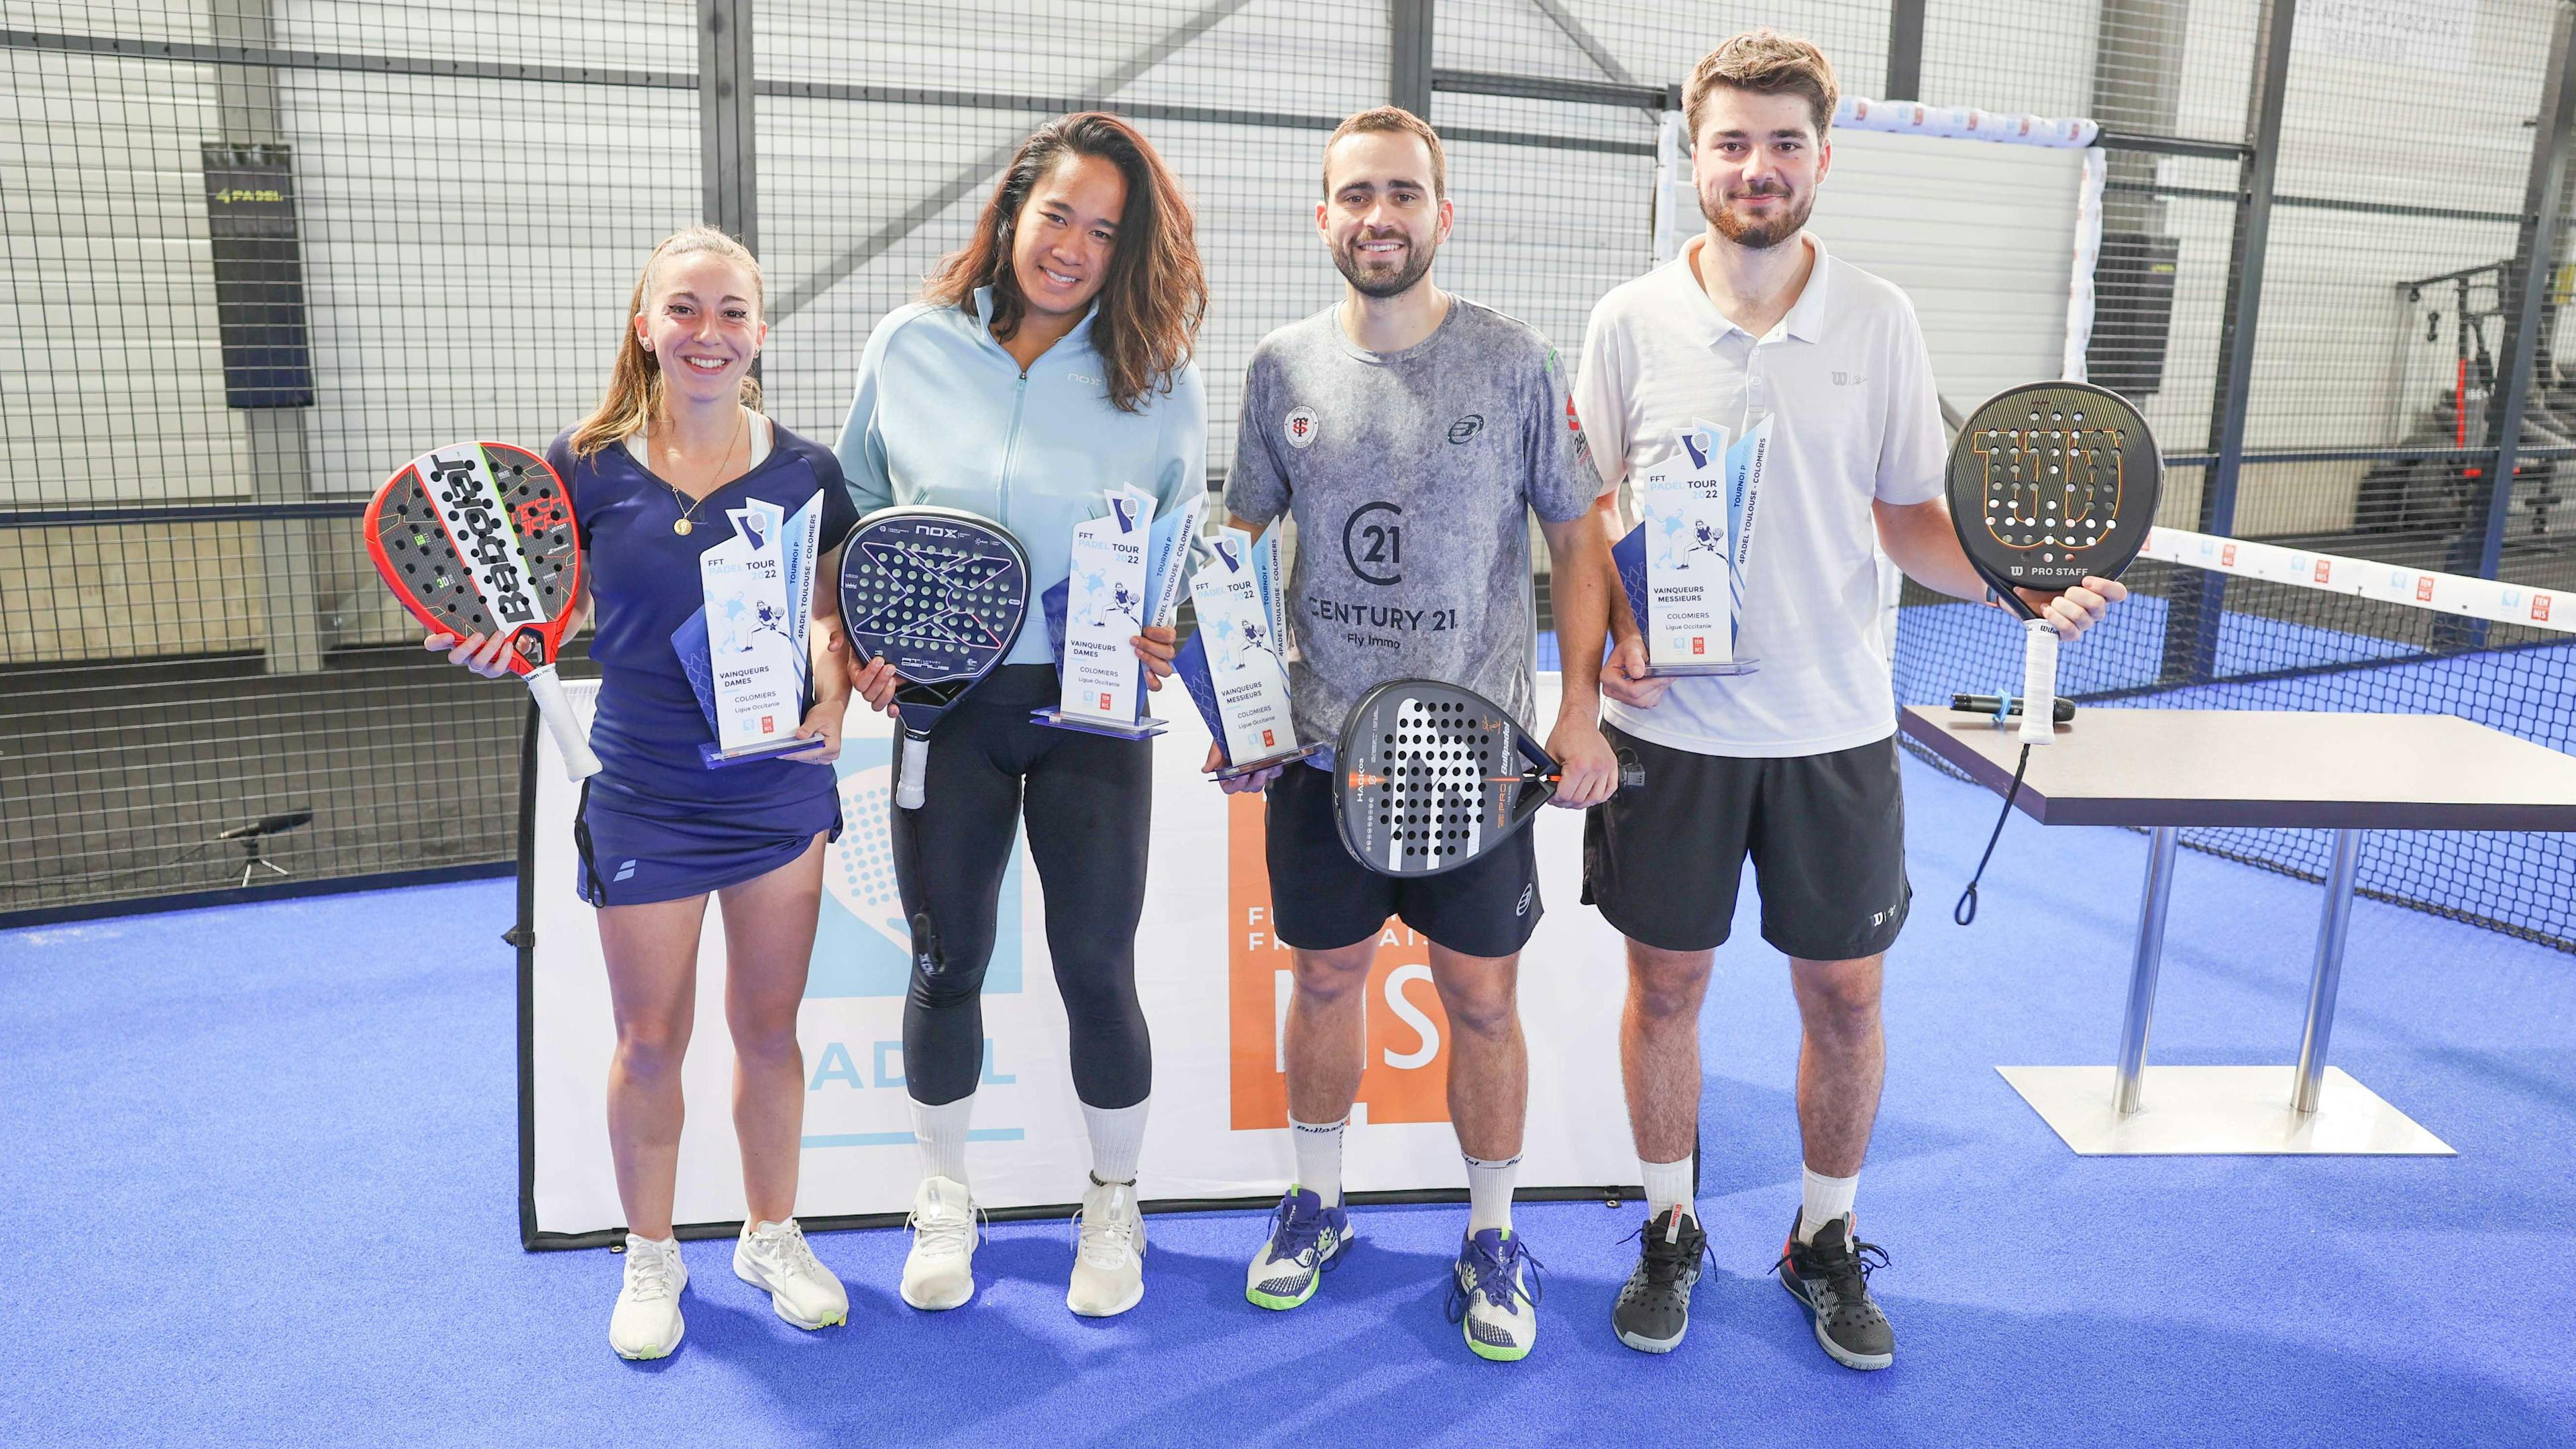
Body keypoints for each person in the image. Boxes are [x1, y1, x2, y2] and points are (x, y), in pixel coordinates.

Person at [1572, 32, 2128, 1368]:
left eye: (1783, 144)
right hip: (1671, 739)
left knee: (1846, 999)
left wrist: (2011, 587)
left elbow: (1906, 517)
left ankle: (1822, 1237)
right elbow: (1586, 508)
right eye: (1732, 143)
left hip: (1835, 732)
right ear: (1692, 156)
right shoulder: (1627, 320)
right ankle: (1669, 1227)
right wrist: (1604, 651)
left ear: (1821, 158)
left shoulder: (1878, 318)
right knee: (1668, 988)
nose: (1756, 168)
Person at [428, 225, 900, 1360]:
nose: (708, 332)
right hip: (642, 793)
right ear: (644, 328)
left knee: (769, 1030)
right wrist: (506, 649)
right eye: (683, 309)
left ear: (760, 335)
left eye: (731, 312)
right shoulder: (582, 465)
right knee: (650, 1041)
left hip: (776, 794)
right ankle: (651, 1255)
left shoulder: (808, 472)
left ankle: (770, 1234)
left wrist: (832, 709)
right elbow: (536, 611)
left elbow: (828, 621)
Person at [1219, 107, 1618, 1362]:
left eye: (1403, 194)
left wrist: (1580, 699)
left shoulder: (1511, 362)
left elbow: (1576, 534)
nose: (1378, 217)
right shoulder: (1280, 367)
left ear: (1444, 216)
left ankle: (1493, 1234)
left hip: (1478, 752)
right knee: (1326, 981)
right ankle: (1318, 1205)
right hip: (1323, 752)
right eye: (1355, 196)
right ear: (1322, 216)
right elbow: (1242, 543)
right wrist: (1237, 702)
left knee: (1480, 1001)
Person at [835, 112, 1208, 1320]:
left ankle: (1114, 1199)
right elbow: (850, 509)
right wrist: (865, 639)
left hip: (1090, 713)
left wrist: (1169, 628)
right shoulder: (910, 344)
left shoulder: (1157, 379)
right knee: (948, 963)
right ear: (1011, 214)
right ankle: (945, 1198)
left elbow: (1183, 549)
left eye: (1104, 231)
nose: (1073, 247)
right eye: (1058, 215)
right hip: (946, 712)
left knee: (1097, 967)